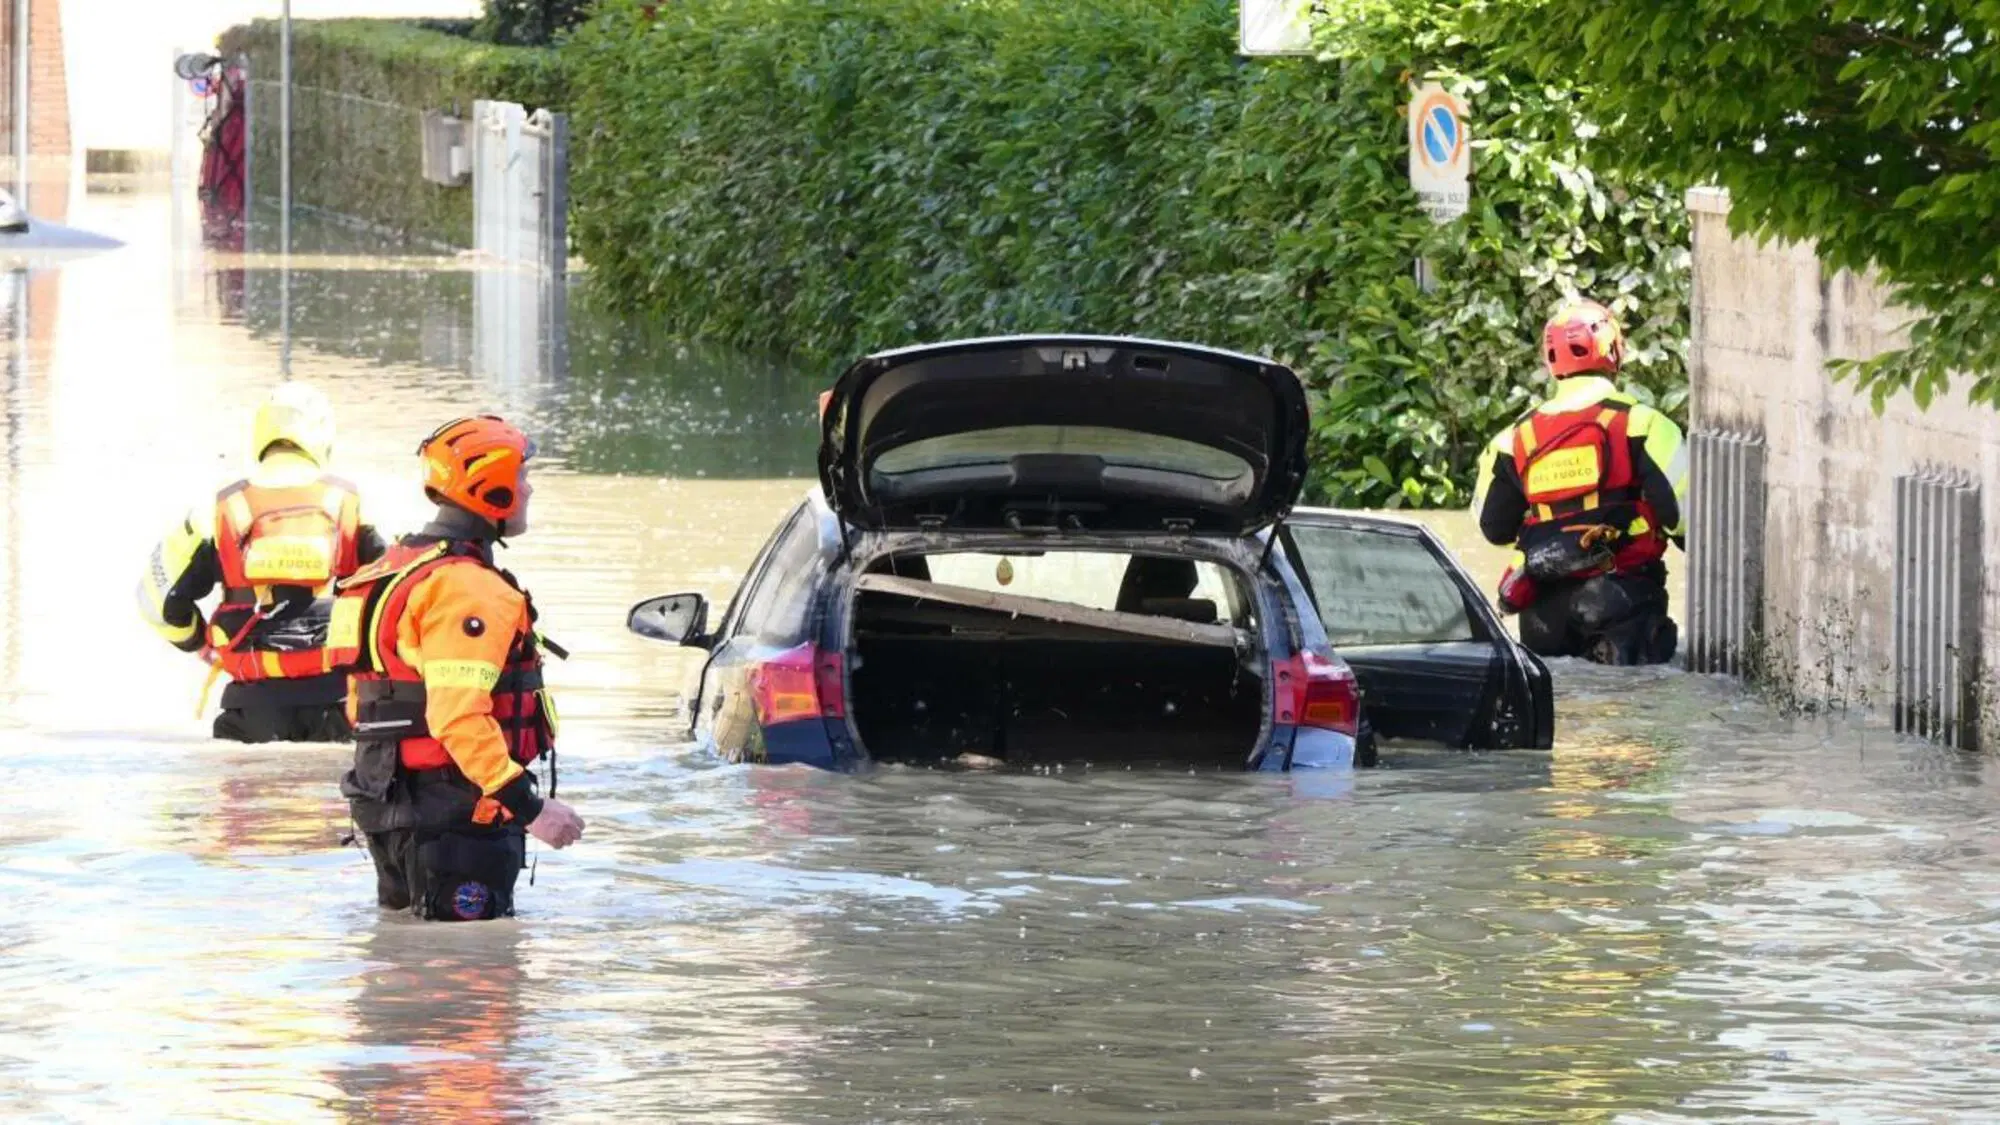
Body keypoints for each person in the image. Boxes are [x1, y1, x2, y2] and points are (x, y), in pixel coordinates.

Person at [332, 414, 584, 921]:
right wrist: (532, 810)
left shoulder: (387, 570)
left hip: (387, 801)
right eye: (521, 478)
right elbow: (457, 716)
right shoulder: (468, 586)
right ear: (491, 488)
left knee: (407, 971)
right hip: (454, 815)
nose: (529, 490)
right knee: (474, 987)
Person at [137, 382, 386, 742]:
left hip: (249, 708)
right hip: (337, 704)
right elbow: (401, 591)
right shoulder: (352, 503)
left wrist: (197, 642)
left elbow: (158, 602)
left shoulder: (218, 508)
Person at [1472, 298, 1689, 665]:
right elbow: (1684, 518)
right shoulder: (1645, 424)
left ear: (1551, 362)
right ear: (1615, 351)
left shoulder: (1513, 438)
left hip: (1542, 612)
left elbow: (1493, 528)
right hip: (1623, 596)